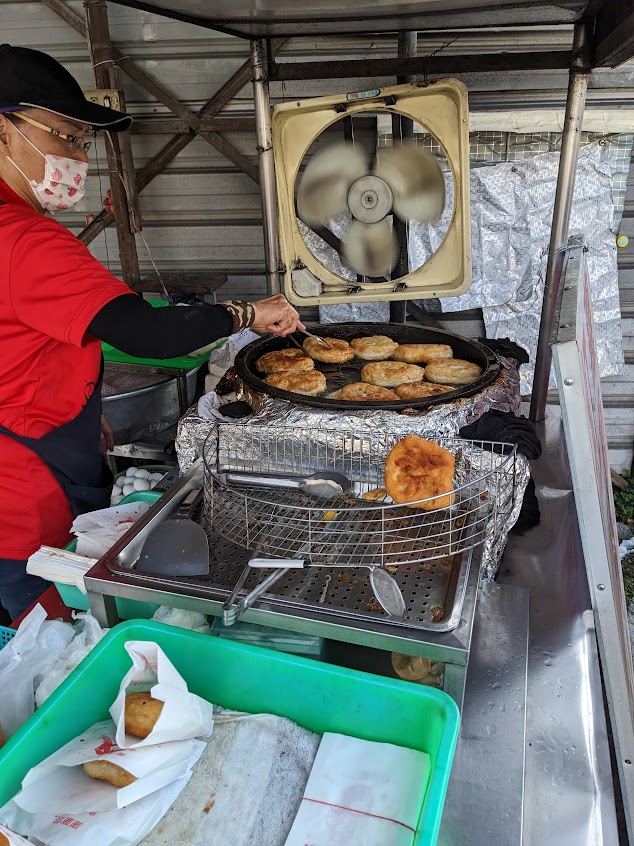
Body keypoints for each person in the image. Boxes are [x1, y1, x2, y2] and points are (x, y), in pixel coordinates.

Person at [0, 44, 304, 620]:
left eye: (81, 142)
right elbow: (147, 335)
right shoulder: (25, 240)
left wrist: (83, 406)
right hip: (23, 493)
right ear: (4, 131)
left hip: (27, 445)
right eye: (64, 136)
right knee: (45, 643)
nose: (77, 156)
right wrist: (245, 314)